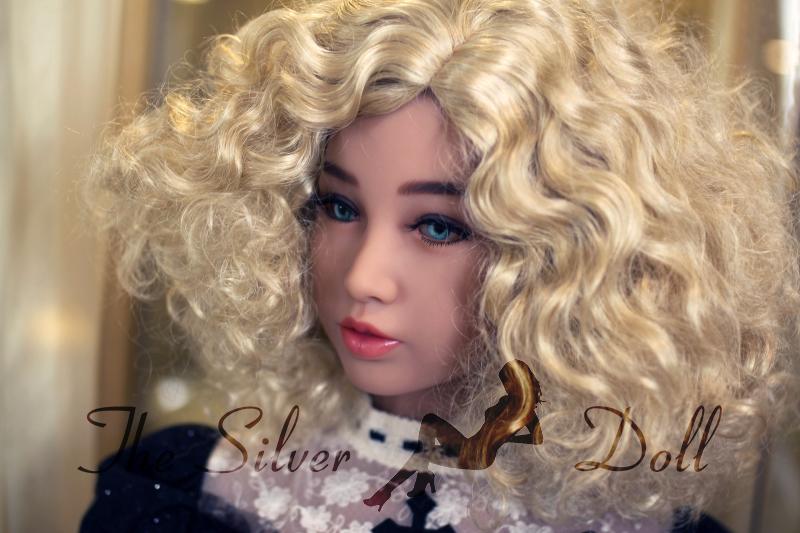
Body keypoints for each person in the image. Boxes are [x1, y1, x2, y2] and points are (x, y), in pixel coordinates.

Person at [79, 0, 800, 531]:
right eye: (337, 207)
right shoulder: (186, 498)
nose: (364, 278)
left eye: (437, 225)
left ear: (562, 254)